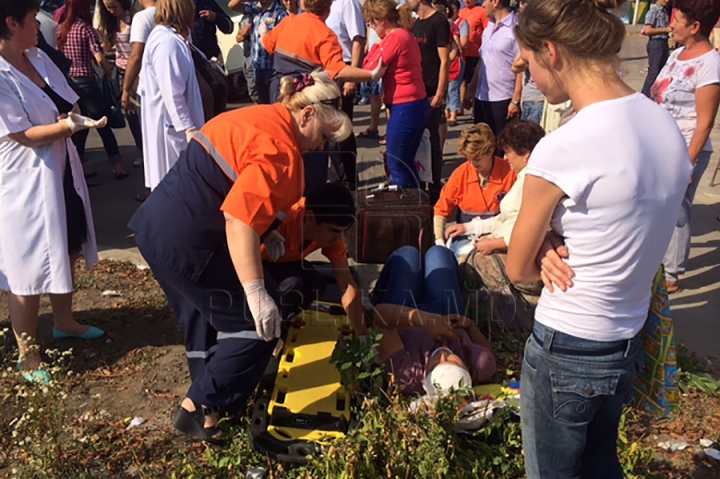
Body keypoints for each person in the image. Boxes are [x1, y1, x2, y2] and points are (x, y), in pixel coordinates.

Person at [504, 0, 692, 476]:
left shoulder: (566, 145)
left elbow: (517, 268)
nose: (527, 75)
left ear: (552, 52)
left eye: (528, 62)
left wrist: (544, 242)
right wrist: (548, 241)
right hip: (626, 335)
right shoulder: (661, 122)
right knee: (601, 462)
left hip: (567, 343)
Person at [128, 70, 352, 443]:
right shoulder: (281, 149)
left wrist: (269, 231)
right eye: (325, 137)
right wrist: (255, 291)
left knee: (203, 314)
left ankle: (208, 404)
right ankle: (198, 407)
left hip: (157, 229)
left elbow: (232, 183)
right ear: (307, 115)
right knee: (257, 324)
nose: (322, 147)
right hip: (191, 241)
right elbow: (238, 219)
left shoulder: (258, 118)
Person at [0, 0, 105, 383]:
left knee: (68, 244)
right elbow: (22, 135)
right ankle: (27, 356)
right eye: (32, 20)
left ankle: (65, 321)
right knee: (25, 267)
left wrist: (71, 117)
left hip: (60, 170)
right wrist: (68, 127)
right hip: (24, 182)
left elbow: (68, 98)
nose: (40, 27)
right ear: (11, 23)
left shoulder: (38, 58)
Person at [262, 0, 385, 192]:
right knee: (311, 146)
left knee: (282, 143)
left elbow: (267, 44)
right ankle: (310, 201)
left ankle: (283, 194)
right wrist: (371, 75)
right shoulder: (324, 33)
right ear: (329, 9)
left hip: (279, 91)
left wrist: (263, 32)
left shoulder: (287, 22)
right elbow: (337, 70)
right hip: (306, 95)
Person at [651, 0, 720, 293]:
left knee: (677, 211)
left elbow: (704, 123)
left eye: (677, 20)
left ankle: (673, 272)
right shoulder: (678, 53)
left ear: (695, 27)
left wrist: (686, 164)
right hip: (659, 147)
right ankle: (657, 261)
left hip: (684, 150)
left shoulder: (709, 65)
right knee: (656, 207)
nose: (672, 25)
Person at [369, 246, 496, 396]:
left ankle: (377, 294)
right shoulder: (480, 365)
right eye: (454, 361)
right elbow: (487, 353)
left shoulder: (407, 374)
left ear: (425, 380)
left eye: (435, 365)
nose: (442, 355)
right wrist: (469, 325)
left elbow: (380, 316)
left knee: (408, 255)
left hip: (401, 314)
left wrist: (422, 319)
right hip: (447, 314)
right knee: (439, 253)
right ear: (466, 370)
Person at [261, 183, 366, 334]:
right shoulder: (281, 222)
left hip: (283, 262)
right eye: (334, 231)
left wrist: (362, 335)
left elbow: (346, 282)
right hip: (254, 264)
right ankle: (263, 330)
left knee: (315, 284)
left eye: (342, 232)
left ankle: (283, 321)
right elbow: (241, 265)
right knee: (292, 283)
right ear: (310, 217)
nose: (337, 238)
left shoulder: (331, 232)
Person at [444, 119, 544, 256]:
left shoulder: (531, 183)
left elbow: (530, 231)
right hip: (489, 239)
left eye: (508, 152)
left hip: (505, 251)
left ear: (525, 153)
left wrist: (492, 244)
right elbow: (504, 219)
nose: (505, 157)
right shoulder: (523, 178)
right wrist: (467, 227)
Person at [363, 0, 431, 189]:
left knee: (396, 163)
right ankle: (415, 204)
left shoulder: (395, 38)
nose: (372, 28)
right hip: (413, 103)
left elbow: (370, 67)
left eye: (371, 23)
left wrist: (376, 45)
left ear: (382, 21)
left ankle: (403, 207)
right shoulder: (405, 35)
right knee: (407, 161)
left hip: (405, 106)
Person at [56, 0, 127, 179]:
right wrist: (110, 74)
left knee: (80, 126)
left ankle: (80, 166)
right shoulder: (85, 29)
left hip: (69, 85)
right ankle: (117, 165)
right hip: (86, 82)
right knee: (103, 123)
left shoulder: (61, 29)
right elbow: (99, 58)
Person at [139, 0, 205, 192]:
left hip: (174, 126)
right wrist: (189, 128)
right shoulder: (166, 43)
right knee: (176, 185)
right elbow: (171, 91)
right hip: (173, 129)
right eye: (191, 4)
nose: (194, 7)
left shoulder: (172, 38)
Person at [433, 123, 516, 257]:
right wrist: (439, 241)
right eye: (469, 158)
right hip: (465, 237)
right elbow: (441, 210)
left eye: (477, 158)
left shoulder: (510, 173)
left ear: (490, 151)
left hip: (500, 235)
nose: (472, 164)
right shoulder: (460, 174)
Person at [408, 0, 450, 202]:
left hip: (432, 91)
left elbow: (445, 59)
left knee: (432, 141)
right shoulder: (415, 23)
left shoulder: (439, 21)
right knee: (418, 141)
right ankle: (420, 183)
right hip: (415, 91)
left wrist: (441, 91)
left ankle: (434, 189)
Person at [326, 0, 366, 190]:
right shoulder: (324, 4)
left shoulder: (347, 3)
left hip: (344, 68)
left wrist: (352, 76)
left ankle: (347, 181)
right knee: (330, 129)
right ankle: (338, 177)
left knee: (340, 128)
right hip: (326, 70)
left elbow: (358, 39)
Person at [98, 0, 143, 166]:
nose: (110, 11)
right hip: (120, 70)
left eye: (113, 6)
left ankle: (149, 150)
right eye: (107, 7)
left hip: (138, 71)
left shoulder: (135, 18)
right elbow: (110, 45)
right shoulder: (112, 21)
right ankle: (141, 150)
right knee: (130, 114)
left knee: (141, 112)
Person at [467, 0, 521, 137]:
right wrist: (471, 89)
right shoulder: (488, 27)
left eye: (485, 1)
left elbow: (522, 65)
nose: (483, 5)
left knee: (501, 145)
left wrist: (515, 100)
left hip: (503, 98)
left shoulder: (515, 28)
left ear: (496, 2)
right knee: (483, 145)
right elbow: (482, 61)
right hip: (482, 96)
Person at [228, 0, 288, 104]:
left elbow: (284, 44)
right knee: (263, 105)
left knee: (276, 104)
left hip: (272, 69)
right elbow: (232, 5)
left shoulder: (280, 13)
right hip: (257, 68)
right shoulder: (254, 9)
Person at [120, 0, 156, 173]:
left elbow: (135, 56)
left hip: (149, 87)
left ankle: (152, 190)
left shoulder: (142, 17)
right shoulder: (172, 13)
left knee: (150, 141)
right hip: (174, 83)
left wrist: (126, 89)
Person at [458, 0, 487, 115]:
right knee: (462, 80)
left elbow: (486, 30)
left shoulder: (481, 12)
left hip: (475, 52)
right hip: (462, 53)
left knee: (475, 80)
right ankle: (459, 106)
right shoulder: (461, 12)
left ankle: (475, 107)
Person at [641, 0, 672, 97]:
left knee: (662, 71)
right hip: (656, 43)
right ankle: (645, 95)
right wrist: (665, 30)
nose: (667, 1)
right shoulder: (653, 11)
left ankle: (656, 94)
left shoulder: (665, 11)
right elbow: (647, 30)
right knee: (653, 72)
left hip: (664, 42)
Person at [446, 0, 468, 126]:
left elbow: (460, 42)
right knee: (445, 87)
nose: (450, 11)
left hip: (456, 61)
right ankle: (447, 111)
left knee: (453, 88)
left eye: (453, 9)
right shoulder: (444, 23)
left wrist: (457, 47)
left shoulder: (459, 23)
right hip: (446, 59)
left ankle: (453, 114)